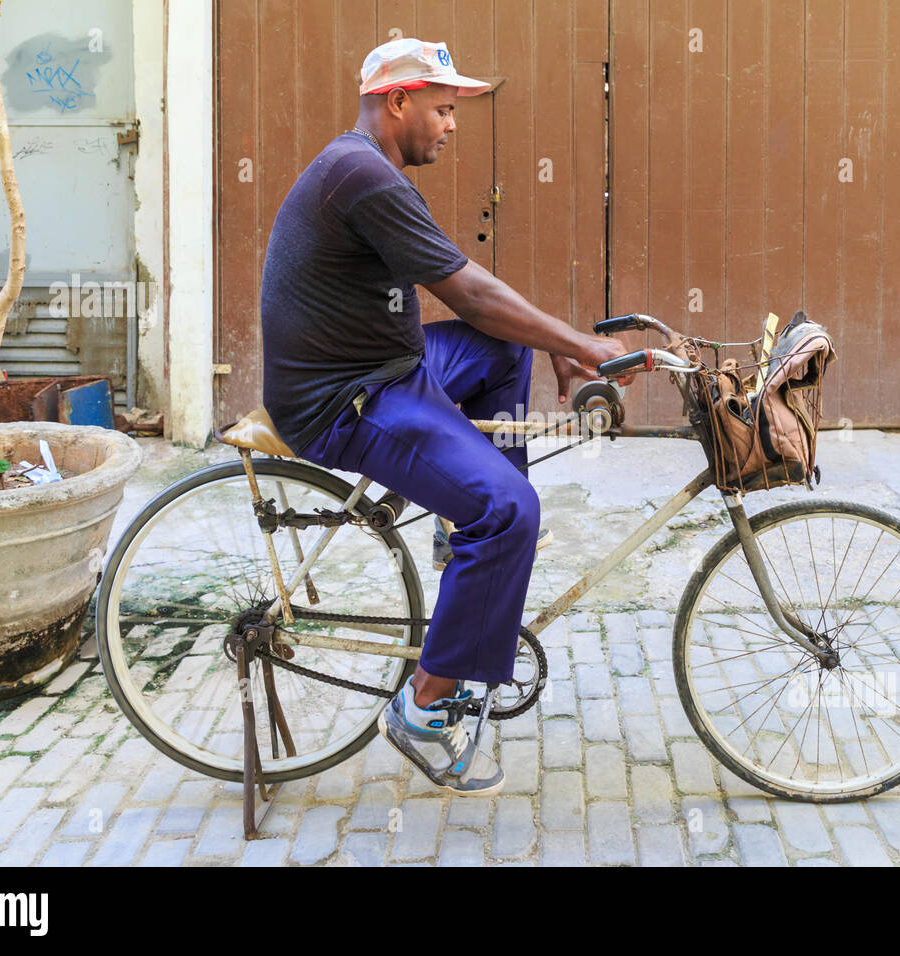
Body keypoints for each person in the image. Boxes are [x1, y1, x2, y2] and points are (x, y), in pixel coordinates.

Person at [260, 38, 631, 796]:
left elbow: (479, 299)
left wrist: (554, 345)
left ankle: (465, 537)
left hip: (389, 365)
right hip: (346, 400)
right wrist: (586, 345)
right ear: (397, 102)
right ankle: (424, 709)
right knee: (510, 508)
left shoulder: (369, 167)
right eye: (443, 108)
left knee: (501, 353)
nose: (452, 125)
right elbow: (472, 295)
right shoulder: (361, 175)